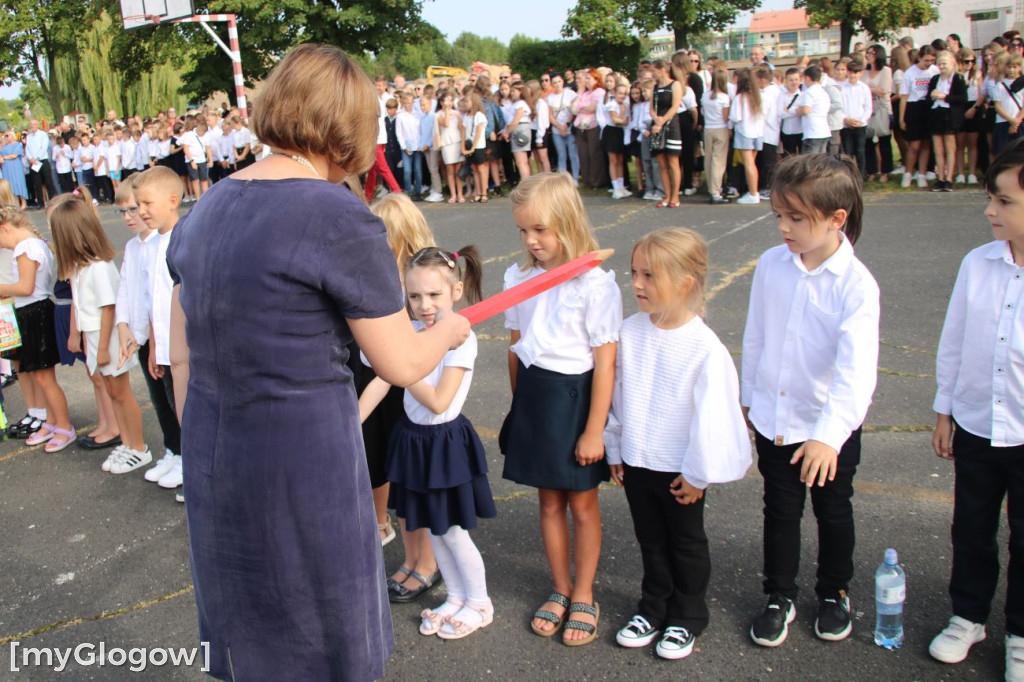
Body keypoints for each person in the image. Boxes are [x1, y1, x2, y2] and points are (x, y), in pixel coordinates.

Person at [165, 43, 471, 681]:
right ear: (352, 126)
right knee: (319, 630)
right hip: (304, 459)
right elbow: (401, 361)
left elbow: (181, 352)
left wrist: (198, 442)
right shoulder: (336, 213)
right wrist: (448, 328)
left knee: (246, 628)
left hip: (215, 447)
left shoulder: (208, 206)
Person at [742, 154, 880, 647]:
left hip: (829, 429)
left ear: (835, 218)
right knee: (779, 510)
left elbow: (855, 373)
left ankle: (834, 591)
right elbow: (756, 336)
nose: (783, 227)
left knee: (833, 510)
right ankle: (779, 594)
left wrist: (827, 438)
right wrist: (747, 401)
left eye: (796, 218)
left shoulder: (857, 286)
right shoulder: (771, 266)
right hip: (776, 419)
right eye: (779, 214)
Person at [607, 228, 751, 660]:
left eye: (650, 276)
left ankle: (686, 617)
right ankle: (652, 608)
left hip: (679, 470)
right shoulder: (629, 332)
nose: (636, 284)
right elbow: (616, 394)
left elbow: (715, 416)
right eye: (634, 273)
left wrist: (698, 473)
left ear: (685, 283)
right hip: (637, 462)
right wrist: (616, 449)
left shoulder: (704, 347)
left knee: (686, 544)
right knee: (650, 541)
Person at [501, 171, 622, 646]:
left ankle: (585, 594)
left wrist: (596, 431)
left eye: (541, 230)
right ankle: (560, 587)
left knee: (582, 505)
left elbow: (605, 365)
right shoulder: (519, 277)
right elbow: (514, 347)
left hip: (575, 402)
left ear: (568, 223)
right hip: (534, 400)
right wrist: (519, 409)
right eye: (523, 231)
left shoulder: (594, 285)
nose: (531, 241)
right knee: (548, 501)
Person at [365, 245, 497, 640]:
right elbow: (381, 380)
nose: (424, 305)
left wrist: (400, 368)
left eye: (434, 295)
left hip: (444, 443)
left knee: (453, 530)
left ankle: (479, 602)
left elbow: (439, 400)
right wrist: (351, 421)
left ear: (456, 290)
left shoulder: (461, 339)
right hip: (414, 441)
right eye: (415, 295)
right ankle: (455, 596)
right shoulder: (415, 332)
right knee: (431, 527)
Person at [929, 138, 1024, 682]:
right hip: (976, 423)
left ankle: (1019, 632)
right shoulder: (978, 263)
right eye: (990, 198)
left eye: (1005, 201)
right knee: (971, 526)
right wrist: (945, 410)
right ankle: (968, 615)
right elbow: (955, 339)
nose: (991, 210)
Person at [360, 194, 440, 599]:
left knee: (415, 484)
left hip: (410, 398)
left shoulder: (420, 296)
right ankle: (411, 560)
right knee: (397, 481)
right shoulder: (378, 282)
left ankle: (428, 562)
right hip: (382, 390)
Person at [49, 192, 149, 473]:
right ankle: (127, 443)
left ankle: (139, 446)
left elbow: (108, 309)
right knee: (112, 392)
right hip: (96, 338)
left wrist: (103, 347)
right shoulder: (81, 267)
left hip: (107, 339)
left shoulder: (99, 267)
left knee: (121, 393)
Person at [0, 206, 75, 452]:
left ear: (5, 228)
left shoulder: (25, 248)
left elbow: (25, 286)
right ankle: (51, 422)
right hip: (33, 312)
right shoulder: (34, 244)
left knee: (44, 377)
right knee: (38, 375)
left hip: (35, 313)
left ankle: (63, 425)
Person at [133, 166, 185, 500]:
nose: (140, 211)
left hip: (184, 351)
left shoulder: (184, 240)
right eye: (138, 204)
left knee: (189, 412)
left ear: (172, 200)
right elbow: (154, 302)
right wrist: (153, 346)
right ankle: (179, 457)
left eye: (146, 204)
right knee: (169, 405)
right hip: (163, 346)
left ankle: (193, 469)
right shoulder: (152, 244)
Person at [900, 45, 940, 188]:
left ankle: (922, 174)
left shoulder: (935, 71)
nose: (928, 63)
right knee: (914, 145)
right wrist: (902, 118)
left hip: (928, 107)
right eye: (926, 60)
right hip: (914, 107)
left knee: (926, 144)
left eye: (931, 60)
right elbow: (904, 97)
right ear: (919, 57)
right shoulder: (910, 73)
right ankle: (908, 173)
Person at [929, 50, 969, 191]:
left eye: (944, 64)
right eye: (939, 64)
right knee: (938, 149)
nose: (942, 67)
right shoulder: (935, 79)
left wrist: (944, 96)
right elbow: (929, 97)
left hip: (950, 115)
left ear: (952, 64)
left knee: (950, 148)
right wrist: (933, 95)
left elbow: (963, 98)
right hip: (936, 115)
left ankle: (950, 178)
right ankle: (940, 177)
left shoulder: (958, 78)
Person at [650, 60, 683, 208]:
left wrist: (662, 122)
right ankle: (667, 195)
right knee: (662, 163)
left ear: (662, 70)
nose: (653, 73)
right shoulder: (655, 87)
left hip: (671, 125)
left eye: (654, 70)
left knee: (673, 161)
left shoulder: (675, 85)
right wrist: (656, 121)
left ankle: (675, 196)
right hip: (657, 125)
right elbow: (651, 108)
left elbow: (675, 106)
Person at [731, 68, 765, 205]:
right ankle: (753, 190)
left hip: (744, 132)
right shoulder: (758, 96)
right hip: (758, 133)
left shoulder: (740, 98)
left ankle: (753, 193)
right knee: (752, 164)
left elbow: (735, 117)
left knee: (749, 164)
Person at [702, 70, 731, 204]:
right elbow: (725, 117)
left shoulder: (706, 95)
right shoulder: (724, 97)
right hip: (720, 128)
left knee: (708, 159)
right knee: (718, 161)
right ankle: (716, 191)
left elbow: (703, 111)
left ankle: (711, 187)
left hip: (708, 128)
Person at [841, 61, 873, 179]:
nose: (853, 75)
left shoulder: (864, 88)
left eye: (856, 73)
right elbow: (839, 107)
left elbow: (868, 107)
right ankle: (849, 176)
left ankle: (861, 176)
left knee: (860, 152)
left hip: (860, 125)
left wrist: (861, 120)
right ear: (847, 72)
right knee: (848, 152)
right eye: (850, 72)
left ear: (860, 73)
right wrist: (846, 119)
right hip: (846, 125)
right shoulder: (842, 88)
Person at [956, 47, 983, 185]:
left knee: (972, 143)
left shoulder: (977, 74)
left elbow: (980, 93)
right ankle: (960, 173)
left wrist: (974, 108)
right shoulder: (956, 75)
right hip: (960, 107)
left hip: (973, 106)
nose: (970, 64)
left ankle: (972, 173)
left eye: (972, 61)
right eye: (967, 61)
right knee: (960, 144)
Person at [548, 74, 579, 183]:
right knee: (561, 155)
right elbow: (550, 115)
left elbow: (573, 110)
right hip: (557, 131)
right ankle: (563, 179)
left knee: (573, 155)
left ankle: (575, 178)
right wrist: (559, 127)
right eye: (554, 82)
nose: (557, 84)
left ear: (562, 82)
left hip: (569, 129)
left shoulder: (570, 94)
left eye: (559, 81)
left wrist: (566, 125)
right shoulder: (550, 98)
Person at [436, 91, 466, 203]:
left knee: (458, 171)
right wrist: (447, 112)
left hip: (457, 142)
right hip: (446, 144)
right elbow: (446, 124)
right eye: (447, 100)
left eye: (451, 100)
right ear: (442, 102)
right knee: (450, 171)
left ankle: (460, 194)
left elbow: (461, 129)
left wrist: (463, 145)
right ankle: (453, 194)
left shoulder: (457, 114)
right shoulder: (438, 115)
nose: (449, 102)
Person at [798, 66, 832, 154]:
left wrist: (798, 110)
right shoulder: (824, 92)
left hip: (812, 131)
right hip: (824, 130)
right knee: (821, 160)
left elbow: (806, 110)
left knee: (810, 161)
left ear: (807, 78)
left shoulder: (809, 92)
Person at [1, 131, 29, 209]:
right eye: (5, 136)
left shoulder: (17, 145)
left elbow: (14, 155)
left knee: (18, 183)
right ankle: (15, 204)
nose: (6, 137)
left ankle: (23, 202)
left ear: (12, 136)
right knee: (9, 184)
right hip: (6, 167)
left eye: (7, 135)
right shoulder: (5, 146)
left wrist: (4, 157)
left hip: (15, 166)